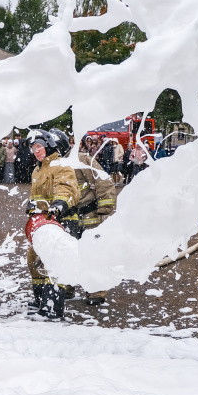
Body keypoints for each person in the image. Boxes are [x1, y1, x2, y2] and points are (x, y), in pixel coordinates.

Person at [50, 128, 116, 305]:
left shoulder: (81, 160)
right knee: (67, 252)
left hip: (89, 216)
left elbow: (104, 182)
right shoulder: (50, 166)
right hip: (65, 217)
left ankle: (96, 292)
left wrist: (104, 210)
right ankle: (67, 286)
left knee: (92, 253)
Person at [24, 130, 80, 320]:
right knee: (34, 260)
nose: (36, 151)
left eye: (38, 147)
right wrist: (32, 205)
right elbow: (37, 196)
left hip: (64, 220)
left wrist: (59, 205)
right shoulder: (38, 169)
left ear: (47, 145)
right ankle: (40, 300)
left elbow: (67, 188)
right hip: (45, 223)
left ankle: (52, 308)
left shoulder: (61, 165)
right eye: (33, 148)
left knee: (56, 264)